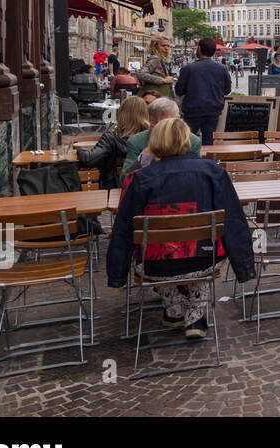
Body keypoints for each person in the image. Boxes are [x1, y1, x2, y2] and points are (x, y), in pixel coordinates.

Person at [106, 117, 254, 339]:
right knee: (201, 246)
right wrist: (244, 266)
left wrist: (116, 275)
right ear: (187, 140)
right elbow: (234, 220)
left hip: (154, 265)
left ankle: (175, 308)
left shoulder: (139, 179)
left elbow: (124, 228)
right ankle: (195, 315)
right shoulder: (213, 172)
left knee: (158, 251)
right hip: (205, 260)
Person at [77, 95, 150, 190]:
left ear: (121, 113)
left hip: (113, 189)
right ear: (145, 114)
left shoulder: (111, 138)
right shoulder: (151, 137)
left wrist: (80, 150)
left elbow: (89, 159)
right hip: (145, 188)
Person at [121, 97, 202, 181]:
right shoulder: (137, 142)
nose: (176, 126)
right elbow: (124, 180)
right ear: (152, 122)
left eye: (177, 119)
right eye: (168, 122)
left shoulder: (192, 141)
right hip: (149, 189)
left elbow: (195, 176)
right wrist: (145, 156)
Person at [173, 37, 231, 146]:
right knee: (209, 143)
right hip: (213, 111)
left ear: (198, 49)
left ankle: (189, 162)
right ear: (214, 51)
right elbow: (227, 90)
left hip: (192, 111)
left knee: (187, 143)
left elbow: (179, 91)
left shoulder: (188, 69)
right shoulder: (222, 69)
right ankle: (207, 162)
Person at [135, 35, 175, 99]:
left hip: (158, 97)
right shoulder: (155, 59)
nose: (166, 48)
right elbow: (141, 74)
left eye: (168, 46)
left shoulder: (160, 59)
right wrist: (163, 80)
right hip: (154, 98)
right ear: (155, 47)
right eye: (163, 46)